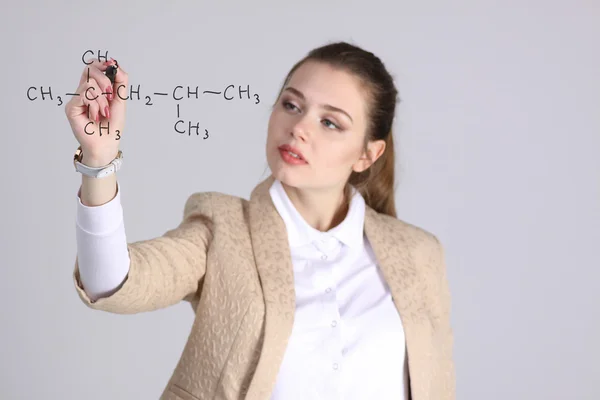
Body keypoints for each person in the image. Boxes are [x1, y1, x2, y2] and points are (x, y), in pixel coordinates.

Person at [66, 41, 455, 400]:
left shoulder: (419, 254)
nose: (299, 128)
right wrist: (99, 162)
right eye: (291, 105)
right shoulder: (222, 227)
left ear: (367, 155)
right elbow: (110, 282)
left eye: (330, 122)